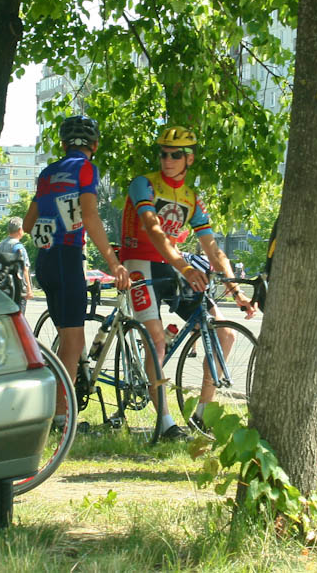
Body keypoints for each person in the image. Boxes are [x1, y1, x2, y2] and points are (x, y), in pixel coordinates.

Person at [120, 125, 254, 440]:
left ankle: (201, 416)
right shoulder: (144, 184)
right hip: (140, 263)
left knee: (224, 335)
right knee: (156, 341)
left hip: (172, 265)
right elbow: (153, 229)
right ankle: (166, 423)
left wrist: (237, 292)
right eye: (163, 153)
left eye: (175, 155)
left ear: (189, 159)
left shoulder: (192, 199)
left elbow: (213, 249)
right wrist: (184, 266)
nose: (167, 160)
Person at [23, 115, 129, 394]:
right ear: (95, 145)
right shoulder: (86, 169)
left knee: (66, 340)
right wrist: (113, 262)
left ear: (63, 144)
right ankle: (62, 412)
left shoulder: (47, 173)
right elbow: (91, 216)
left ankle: (57, 400)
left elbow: (27, 224)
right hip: (67, 258)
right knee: (73, 344)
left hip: (45, 261)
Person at [0, 217, 34, 314]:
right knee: (19, 316)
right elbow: (24, 268)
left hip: (2, 287)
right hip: (17, 288)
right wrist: (29, 289)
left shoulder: (1, 245)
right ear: (20, 230)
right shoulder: (18, 246)